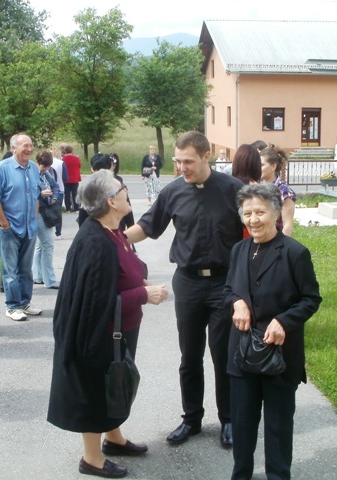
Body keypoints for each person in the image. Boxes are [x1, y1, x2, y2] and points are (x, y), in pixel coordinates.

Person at [125, 131, 245, 449]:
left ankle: (229, 420)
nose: (181, 168)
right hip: (189, 283)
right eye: (178, 161)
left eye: (188, 161)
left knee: (223, 356)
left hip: (225, 283)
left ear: (207, 156)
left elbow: (253, 235)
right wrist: (113, 238)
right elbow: (148, 227)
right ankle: (191, 419)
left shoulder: (234, 190)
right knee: (189, 357)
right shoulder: (173, 191)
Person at [48, 170, 169, 479]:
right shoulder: (94, 242)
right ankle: (92, 458)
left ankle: (113, 437)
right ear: (111, 201)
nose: (126, 190)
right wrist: (143, 293)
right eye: (121, 188)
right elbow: (95, 303)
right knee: (97, 386)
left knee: (114, 382)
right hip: (99, 333)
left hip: (120, 328)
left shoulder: (112, 230)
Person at [224, 183, 322, 480]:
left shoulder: (294, 253)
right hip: (242, 353)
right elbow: (228, 289)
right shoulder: (239, 250)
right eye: (247, 213)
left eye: (260, 212)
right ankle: (240, 475)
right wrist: (237, 302)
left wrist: (284, 321)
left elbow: (311, 299)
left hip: (280, 354)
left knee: (278, 426)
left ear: (276, 213)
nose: (253, 219)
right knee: (242, 424)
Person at [0, 134, 42, 322]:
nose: (29, 149)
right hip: (10, 228)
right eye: (25, 146)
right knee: (10, 270)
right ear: (14, 148)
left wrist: (34, 219)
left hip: (29, 227)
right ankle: (12, 306)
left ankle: (25, 302)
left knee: (26, 268)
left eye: (31, 145)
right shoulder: (2, 168)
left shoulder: (34, 168)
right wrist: (4, 224)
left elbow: (36, 195)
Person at [33, 151, 61, 290]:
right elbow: (28, 191)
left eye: (47, 166)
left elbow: (56, 186)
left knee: (40, 245)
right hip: (38, 212)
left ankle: (38, 276)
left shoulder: (46, 174)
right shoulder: (32, 173)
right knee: (48, 245)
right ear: (37, 162)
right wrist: (40, 194)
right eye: (43, 166)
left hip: (47, 211)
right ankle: (50, 280)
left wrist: (54, 197)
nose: (44, 169)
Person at [260, 144, 297, 236]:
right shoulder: (256, 185)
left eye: (261, 165)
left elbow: (287, 224)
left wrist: (281, 248)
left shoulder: (284, 191)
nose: (257, 168)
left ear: (273, 166)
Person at [51, 147, 68, 239]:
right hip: (60, 190)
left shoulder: (44, 163)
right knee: (58, 212)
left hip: (47, 190)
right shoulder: (61, 163)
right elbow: (65, 177)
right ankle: (58, 233)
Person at [62, 145, 82, 212]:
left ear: (65, 151)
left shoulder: (63, 159)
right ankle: (76, 208)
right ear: (72, 151)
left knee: (67, 194)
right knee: (75, 193)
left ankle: (68, 208)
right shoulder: (76, 158)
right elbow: (79, 166)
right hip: (75, 178)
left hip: (66, 179)